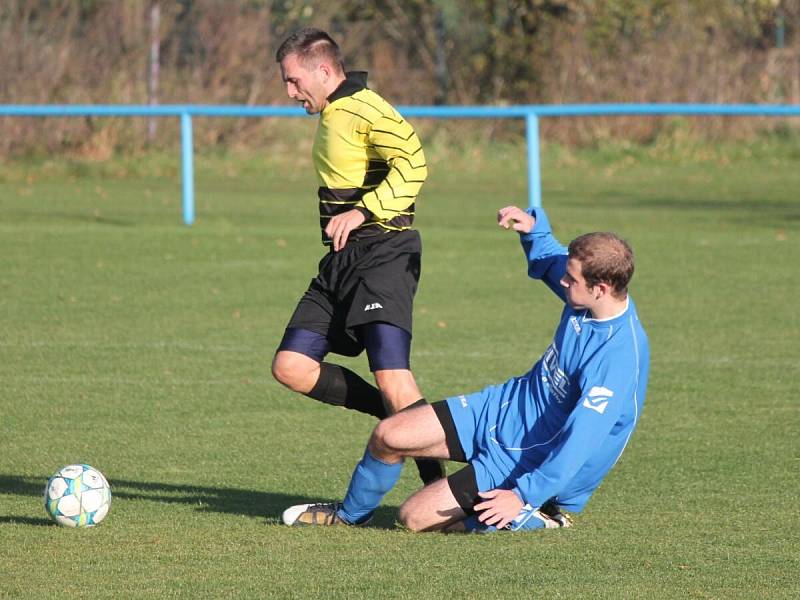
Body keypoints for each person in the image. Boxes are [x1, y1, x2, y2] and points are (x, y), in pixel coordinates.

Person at [282, 205, 650, 532]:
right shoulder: (587, 297)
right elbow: (552, 260)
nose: (563, 280)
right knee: (388, 435)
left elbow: (579, 444)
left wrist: (522, 495)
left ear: (600, 288)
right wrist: (533, 230)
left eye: (571, 279)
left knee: (412, 517)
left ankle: (540, 515)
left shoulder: (618, 357)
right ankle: (349, 516)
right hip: (499, 408)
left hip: (525, 456)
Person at [271, 28, 444, 483]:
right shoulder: (336, 112)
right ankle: (399, 419)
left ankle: (441, 492)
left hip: (383, 254)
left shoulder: (363, 107)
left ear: (324, 70)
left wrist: (364, 210)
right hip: (342, 260)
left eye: (293, 81)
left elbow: (415, 163)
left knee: (393, 378)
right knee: (291, 366)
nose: (290, 92)